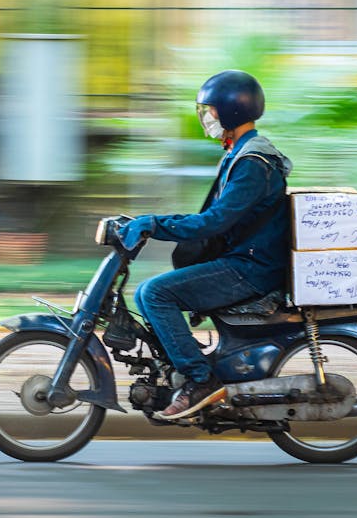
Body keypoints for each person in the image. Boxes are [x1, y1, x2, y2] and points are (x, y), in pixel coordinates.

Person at [117, 70, 293, 420]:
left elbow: (214, 222)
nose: (206, 119)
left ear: (232, 111)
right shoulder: (241, 153)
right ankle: (186, 364)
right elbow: (215, 216)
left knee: (154, 293)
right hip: (245, 259)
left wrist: (154, 224)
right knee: (147, 293)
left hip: (250, 268)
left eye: (210, 111)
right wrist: (156, 222)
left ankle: (201, 379)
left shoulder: (252, 164)